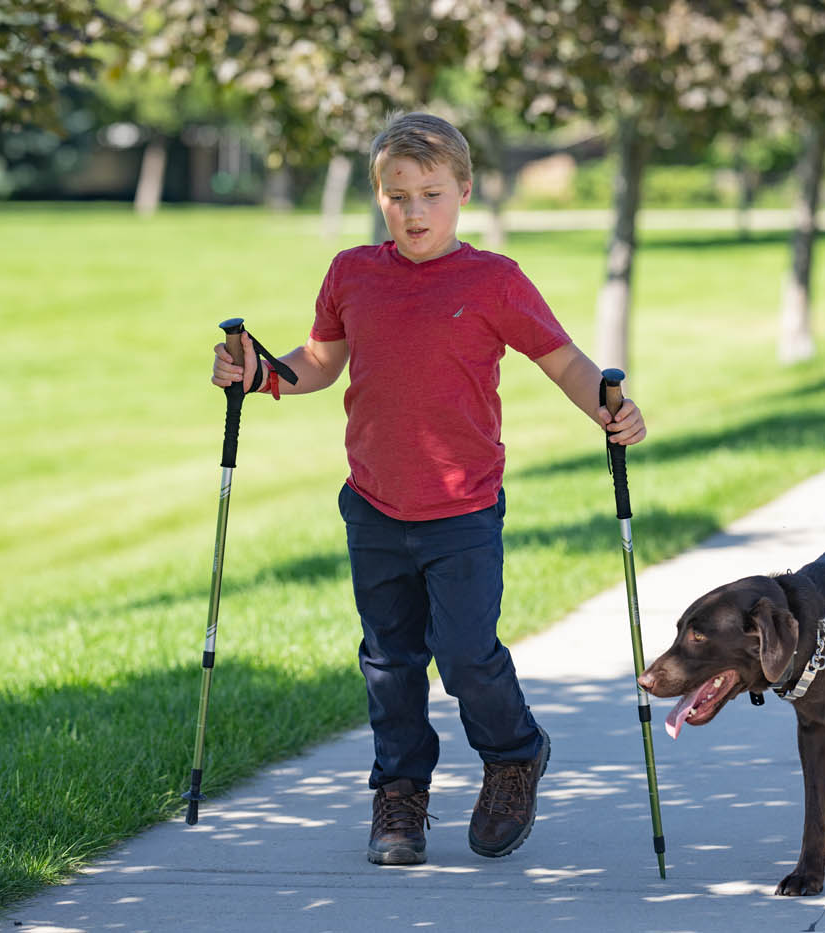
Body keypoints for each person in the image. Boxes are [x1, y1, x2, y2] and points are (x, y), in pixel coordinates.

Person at [211, 112, 646, 866]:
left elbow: (565, 360)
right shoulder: (352, 273)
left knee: (466, 651)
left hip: (464, 507)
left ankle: (514, 755)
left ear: (464, 193)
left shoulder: (492, 281)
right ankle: (400, 793)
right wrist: (259, 374)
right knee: (389, 659)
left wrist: (611, 410)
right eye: (396, 194)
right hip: (375, 502)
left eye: (431, 194)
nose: (414, 211)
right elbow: (319, 360)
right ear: (378, 195)